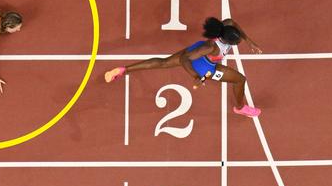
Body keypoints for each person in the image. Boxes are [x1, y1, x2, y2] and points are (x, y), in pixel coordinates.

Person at [104, 17, 263, 117]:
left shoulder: (226, 25)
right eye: (235, 43)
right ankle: (240, 108)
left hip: (197, 50)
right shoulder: (211, 47)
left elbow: (233, 22)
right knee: (240, 80)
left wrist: (250, 42)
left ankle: (123, 70)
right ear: (225, 40)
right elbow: (185, 59)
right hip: (204, 66)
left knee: (164, 63)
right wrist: (195, 76)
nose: (237, 44)